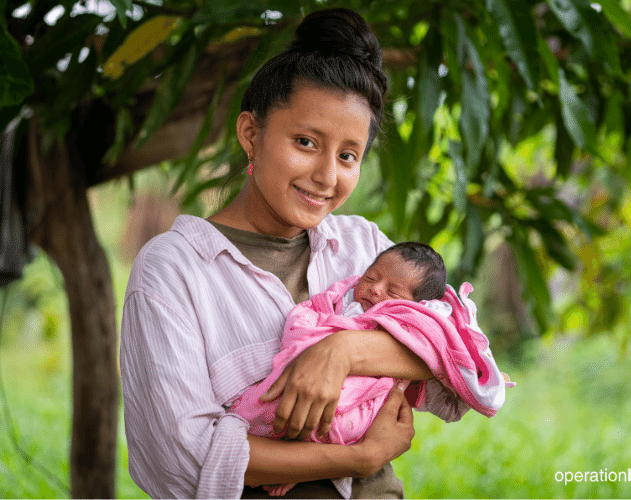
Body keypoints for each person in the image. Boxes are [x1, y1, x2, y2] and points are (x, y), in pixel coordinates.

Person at [120, 8, 478, 499]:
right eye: (306, 142)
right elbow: (184, 457)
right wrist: (361, 457)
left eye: (348, 155)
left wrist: (342, 351)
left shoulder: (364, 248)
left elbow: (463, 353)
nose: (327, 176)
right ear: (251, 133)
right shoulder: (174, 270)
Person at [230, 242, 514, 497]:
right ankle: (285, 456)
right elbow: (308, 320)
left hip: (359, 413)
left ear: (417, 306)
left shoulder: (413, 325)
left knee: (333, 425)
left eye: (392, 291)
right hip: (308, 385)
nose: (376, 289)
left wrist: (474, 382)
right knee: (272, 409)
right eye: (371, 277)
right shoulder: (343, 303)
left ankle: (297, 463)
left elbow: (440, 361)